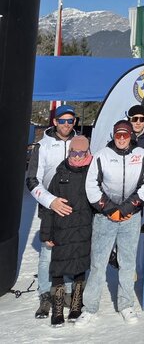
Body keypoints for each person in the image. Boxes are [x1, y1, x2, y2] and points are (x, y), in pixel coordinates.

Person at [76, 120, 144, 326]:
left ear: (130, 136)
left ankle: (126, 305)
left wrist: (127, 208)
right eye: (118, 135)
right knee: (98, 263)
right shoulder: (102, 155)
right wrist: (110, 209)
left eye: (125, 135)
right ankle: (90, 308)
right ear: (113, 135)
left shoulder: (141, 155)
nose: (121, 138)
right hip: (105, 217)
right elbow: (91, 185)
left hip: (130, 217)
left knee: (127, 262)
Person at [26, 104, 77, 319]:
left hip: (73, 208)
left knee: (70, 251)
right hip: (50, 207)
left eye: (70, 120)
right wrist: (51, 201)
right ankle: (46, 294)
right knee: (48, 253)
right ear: (55, 122)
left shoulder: (80, 142)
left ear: (74, 122)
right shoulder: (43, 146)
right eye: (62, 120)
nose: (66, 124)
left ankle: (66, 293)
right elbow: (32, 180)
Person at [39, 136, 93, 326]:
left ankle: (76, 303)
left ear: (87, 153)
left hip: (84, 227)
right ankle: (58, 306)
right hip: (61, 228)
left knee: (80, 263)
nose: (77, 157)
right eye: (74, 153)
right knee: (58, 266)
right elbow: (49, 207)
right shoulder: (60, 174)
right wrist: (46, 234)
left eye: (81, 153)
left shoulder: (92, 172)